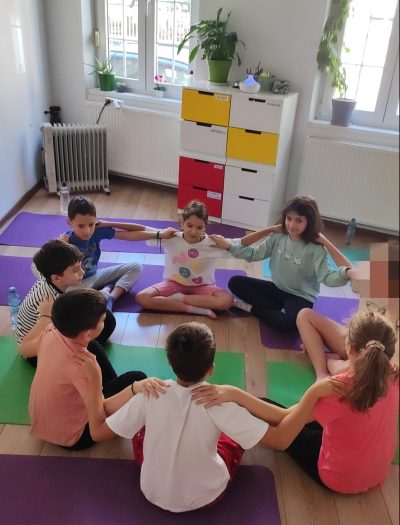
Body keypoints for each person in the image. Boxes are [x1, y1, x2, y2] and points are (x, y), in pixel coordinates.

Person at [75, 321, 335, 512]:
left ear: (169, 361)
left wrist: (100, 385)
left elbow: (98, 433)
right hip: (206, 496)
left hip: (151, 490)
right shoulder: (221, 404)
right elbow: (279, 440)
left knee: (142, 431)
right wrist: (311, 396)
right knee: (232, 439)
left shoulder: (149, 393)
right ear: (211, 368)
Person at [192, 309, 399, 494]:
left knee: (261, 407)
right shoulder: (395, 376)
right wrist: (334, 366)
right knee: (328, 421)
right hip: (378, 473)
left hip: (338, 479)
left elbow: (281, 432)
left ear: (350, 348)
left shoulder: (337, 389)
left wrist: (234, 393)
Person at [24, 288, 156, 450]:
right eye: (102, 320)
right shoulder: (83, 370)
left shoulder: (50, 331)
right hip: (76, 437)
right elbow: (98, 427)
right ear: (87, 333)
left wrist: (44, 316)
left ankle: (109, 389)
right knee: (138, 378)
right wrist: (132, 388)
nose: (105, 320)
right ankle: (119, 391)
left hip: (44, 423)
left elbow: (24, 348)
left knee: (92, 346)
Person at [210, 195, 354, 331]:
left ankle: (252, 308)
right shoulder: (278, 236)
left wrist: (344, 271)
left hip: (301, 297)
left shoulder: (316, 249)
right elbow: (255, 254)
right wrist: (230, 246)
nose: (291, 225)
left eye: (299, 220)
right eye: (289, 218)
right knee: (235, 282)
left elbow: (327, 278)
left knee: (289, 324)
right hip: (277, 289)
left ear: (309, 222)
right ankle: (278, 310)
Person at [60, 196, 177, 311]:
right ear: (70, 222)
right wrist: (62, 250)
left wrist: (159, 234)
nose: (87, 231)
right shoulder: (64, 242)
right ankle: (105, 290)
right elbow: (57, 278)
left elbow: (131, 235)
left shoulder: (96, 231)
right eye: (81, 226)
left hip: (96, 276)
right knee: (68, 294)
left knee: (136, 267)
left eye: (91, 224)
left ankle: (111, 298)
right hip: (78, 284)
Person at [16, 239, 116, 367]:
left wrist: (60, 246)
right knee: (100, 327)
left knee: (106, 317)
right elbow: (51, 332)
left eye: (80, 266)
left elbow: (34, 265)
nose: (82, 272)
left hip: (48, 329)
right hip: (36, 353)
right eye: (75, 270)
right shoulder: (51, 301)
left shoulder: (47, 275)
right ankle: (79, 360)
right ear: (56, 277)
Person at [135, 200, 235, 318]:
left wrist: (230, 246)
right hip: (174, 284)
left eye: (199, 227)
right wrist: (114, 230)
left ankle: (180, 299)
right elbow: (142, 230)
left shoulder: (214, 243)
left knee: (227, 301)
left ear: (205, 227)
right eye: (189, 225)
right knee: (142, 298)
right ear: (182, 222)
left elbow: (242, 246)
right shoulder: (170, 237)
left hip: (202, 286)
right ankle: (193, 309)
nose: (193, 232)